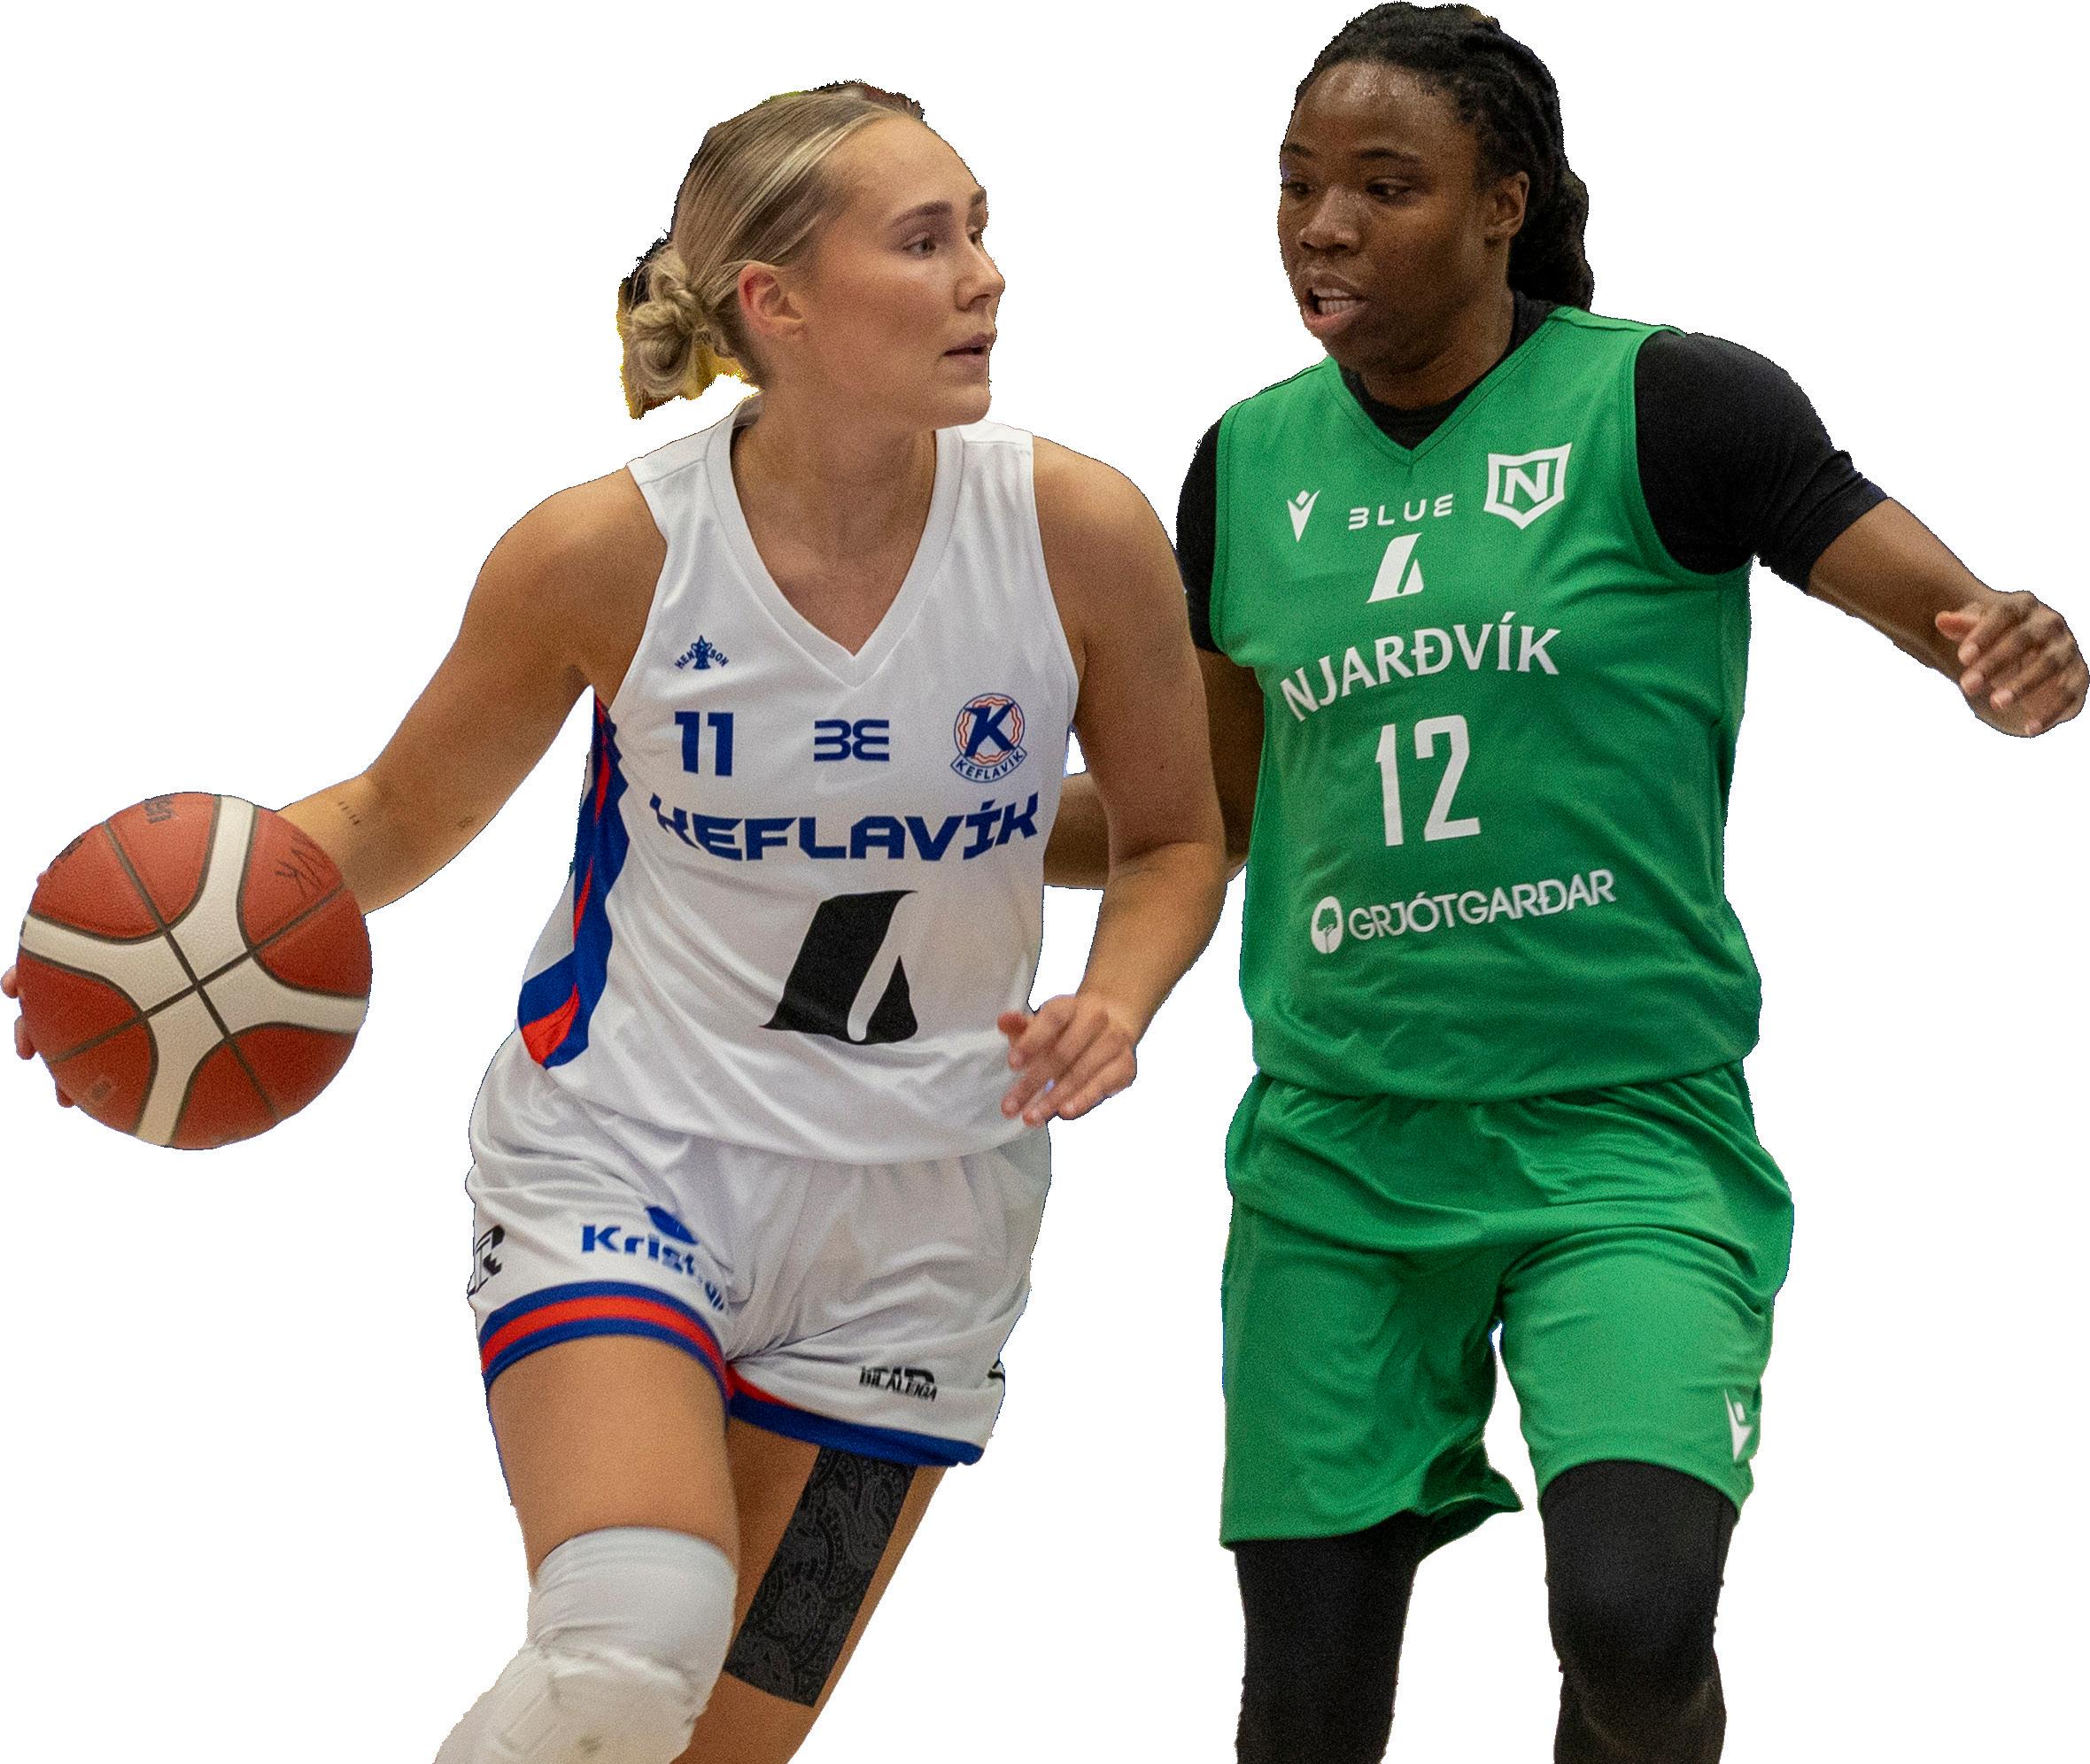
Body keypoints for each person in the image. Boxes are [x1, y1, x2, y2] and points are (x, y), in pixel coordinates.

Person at [4, 82, 1226, 1764]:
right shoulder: (607, 551)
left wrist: (1121, 999)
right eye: (925, 240)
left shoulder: (1078, 529)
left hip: (926, 1232)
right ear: (774, 302)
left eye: (981, 229)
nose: (985, 275)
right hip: (633, 1161)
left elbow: (1175, 839)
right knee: (626, 1651)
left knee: (708, 1752)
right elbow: (391, 816)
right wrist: (138, 959)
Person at [1044, 6, 2084, 1760]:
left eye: (1385, 186)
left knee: (1632, 1628)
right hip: (1340, 1153)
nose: (1323, 226)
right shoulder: (1247, 464)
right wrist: (932, 823)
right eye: (1297, 185)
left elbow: (1956, 619)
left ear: (1501, 204)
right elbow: (1204, 814)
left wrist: (2004, 651)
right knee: (1304, 1715)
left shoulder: (1673, 405)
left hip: (1624, 1132)